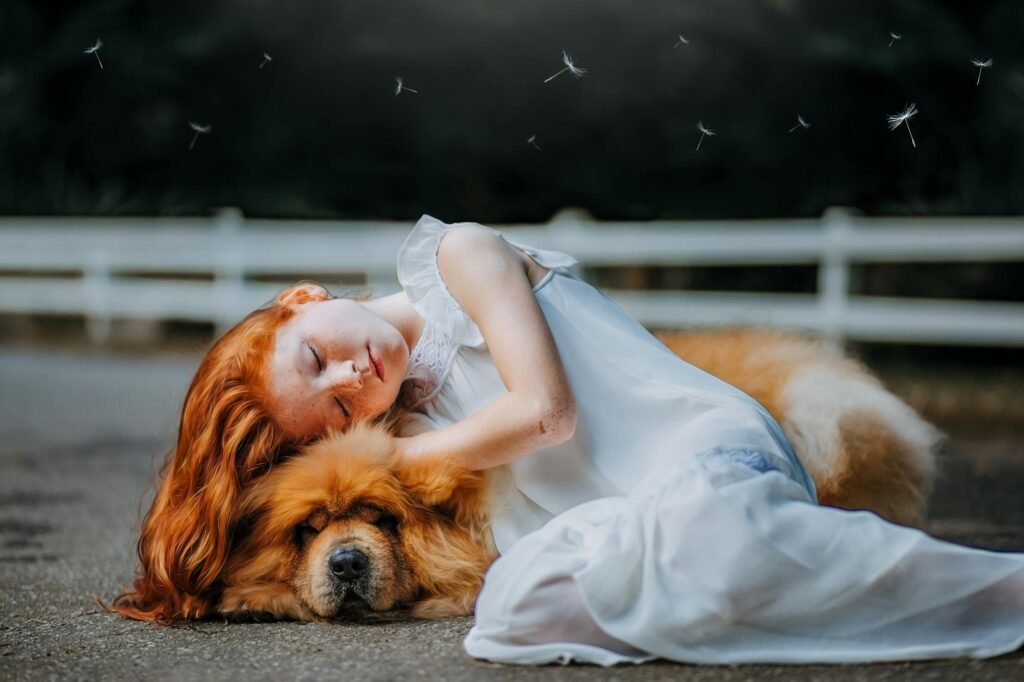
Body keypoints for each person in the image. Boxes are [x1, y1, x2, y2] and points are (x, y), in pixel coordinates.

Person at [116, 215, 1024, 667]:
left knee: (708, 539)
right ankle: (759, 580)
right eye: (334, 412)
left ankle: (994, 594)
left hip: (702, 448)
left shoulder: (459, 259)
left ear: (302, 299)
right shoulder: (406, 408)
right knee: (516, 610)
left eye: (317, 357)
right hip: (631, 505)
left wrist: (383, 464)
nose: (350, 378)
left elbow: (546, 415)